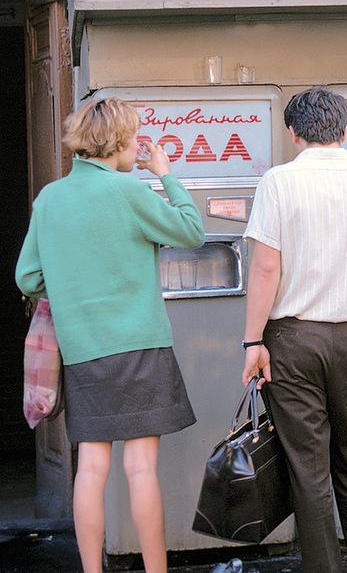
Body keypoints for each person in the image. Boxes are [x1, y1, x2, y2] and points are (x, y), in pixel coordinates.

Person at [15, 97, 204, 573]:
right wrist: (164, 173)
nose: (139, 145)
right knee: (140, 469)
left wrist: (70, 284)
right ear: (119, 143)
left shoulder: (49, 198)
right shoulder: (129, 191)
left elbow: (27, 278)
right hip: (141, 346)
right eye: (136, 137)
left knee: (91, 470)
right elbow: (191, 230)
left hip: (82, 350)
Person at [241, 86, 347, 572]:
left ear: (293, 132)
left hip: (292, 339)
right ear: (345, 127)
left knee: (309, 472)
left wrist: (252, 341)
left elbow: (266, 268)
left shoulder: (278, 182)